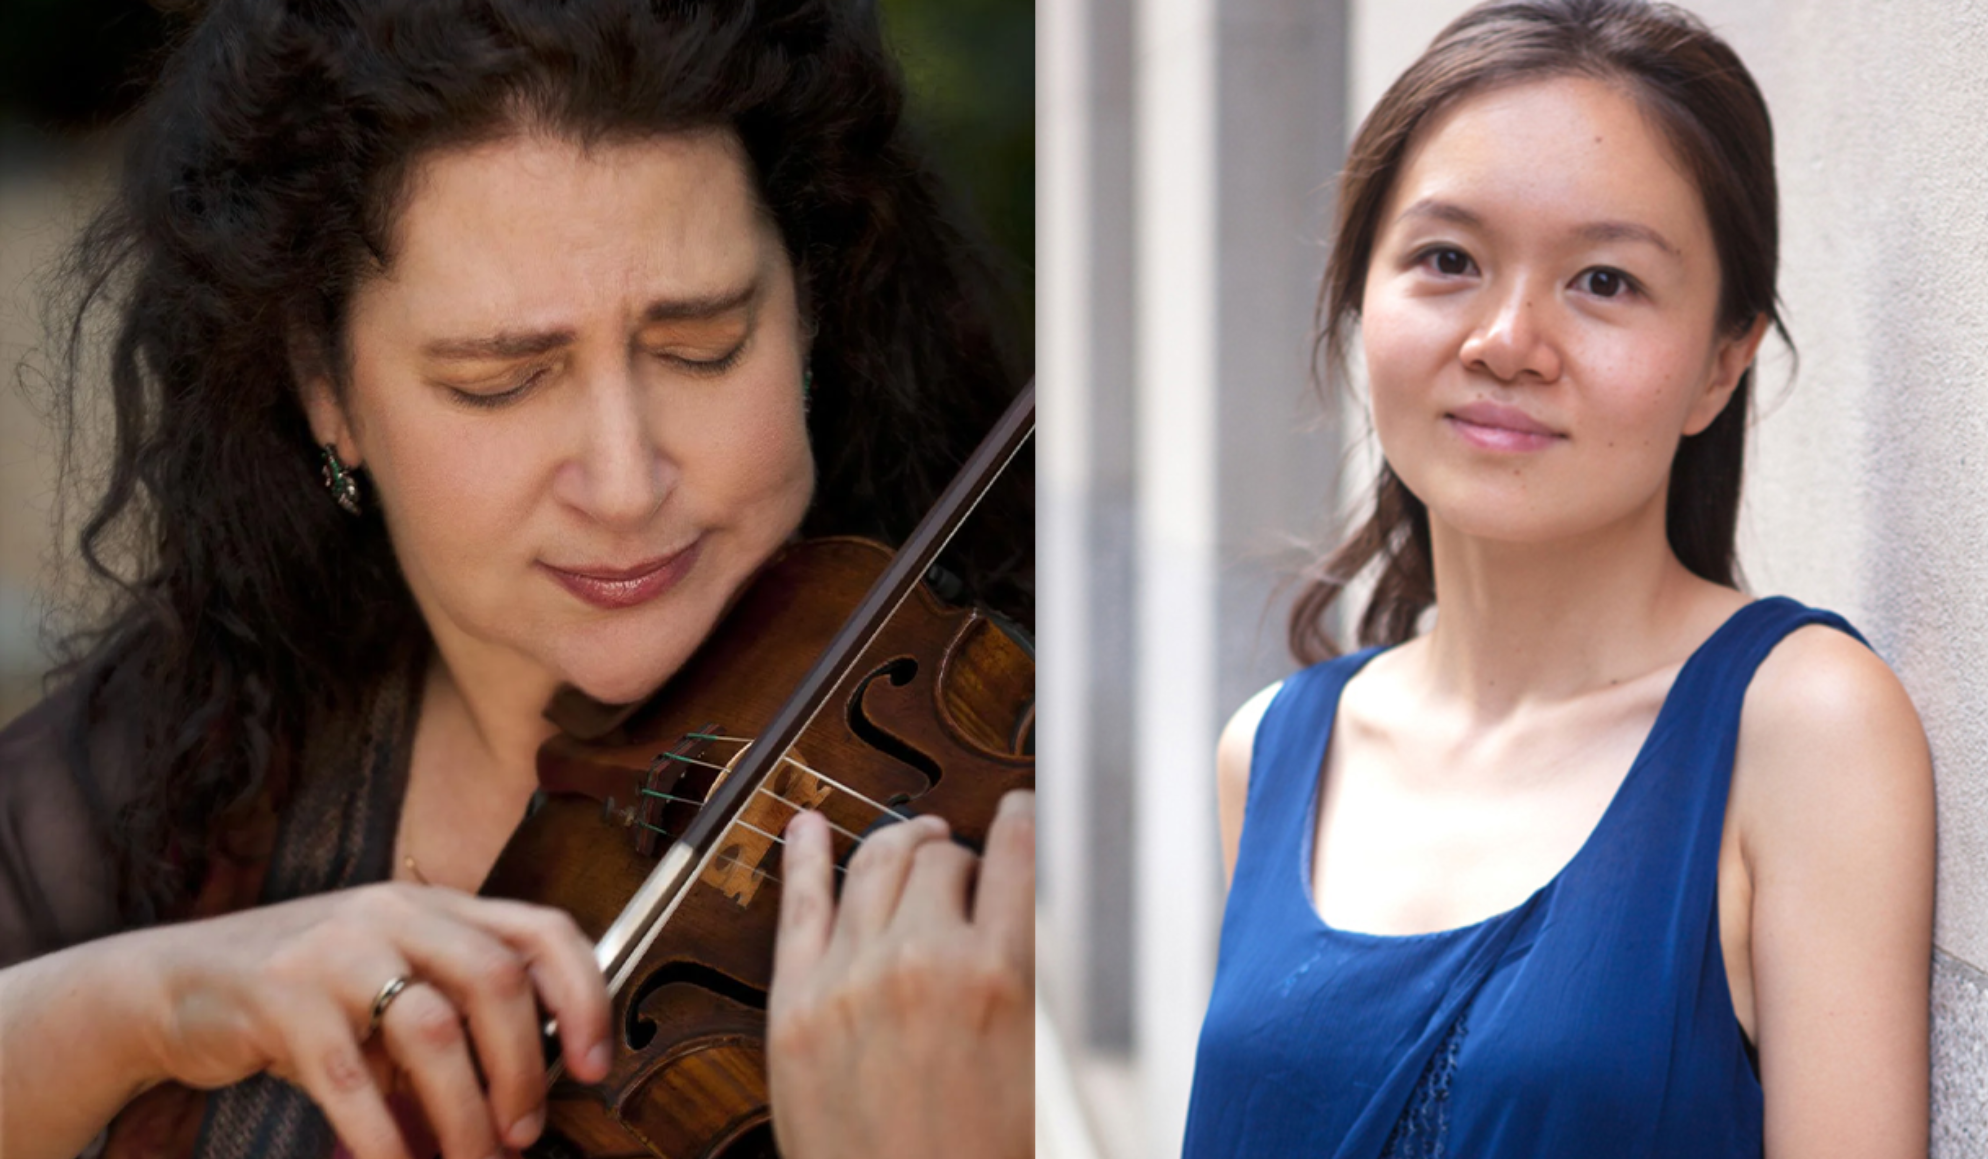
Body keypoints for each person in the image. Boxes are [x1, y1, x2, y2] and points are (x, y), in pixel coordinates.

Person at [0, 2, 1034, 1158]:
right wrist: (131, 1005)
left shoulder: (1052, 738)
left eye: (702, 346)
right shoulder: (174, 771)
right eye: (499, 381)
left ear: (807, 312)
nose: (625, 482)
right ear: (327, 391)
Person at [1184, 2, 1934, 1156]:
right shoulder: (1272, 749)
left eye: (1603, 280)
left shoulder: (1799, 727)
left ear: (1720, 363)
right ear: (1358, 297)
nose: (1505, 340)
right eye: (1446, 259)